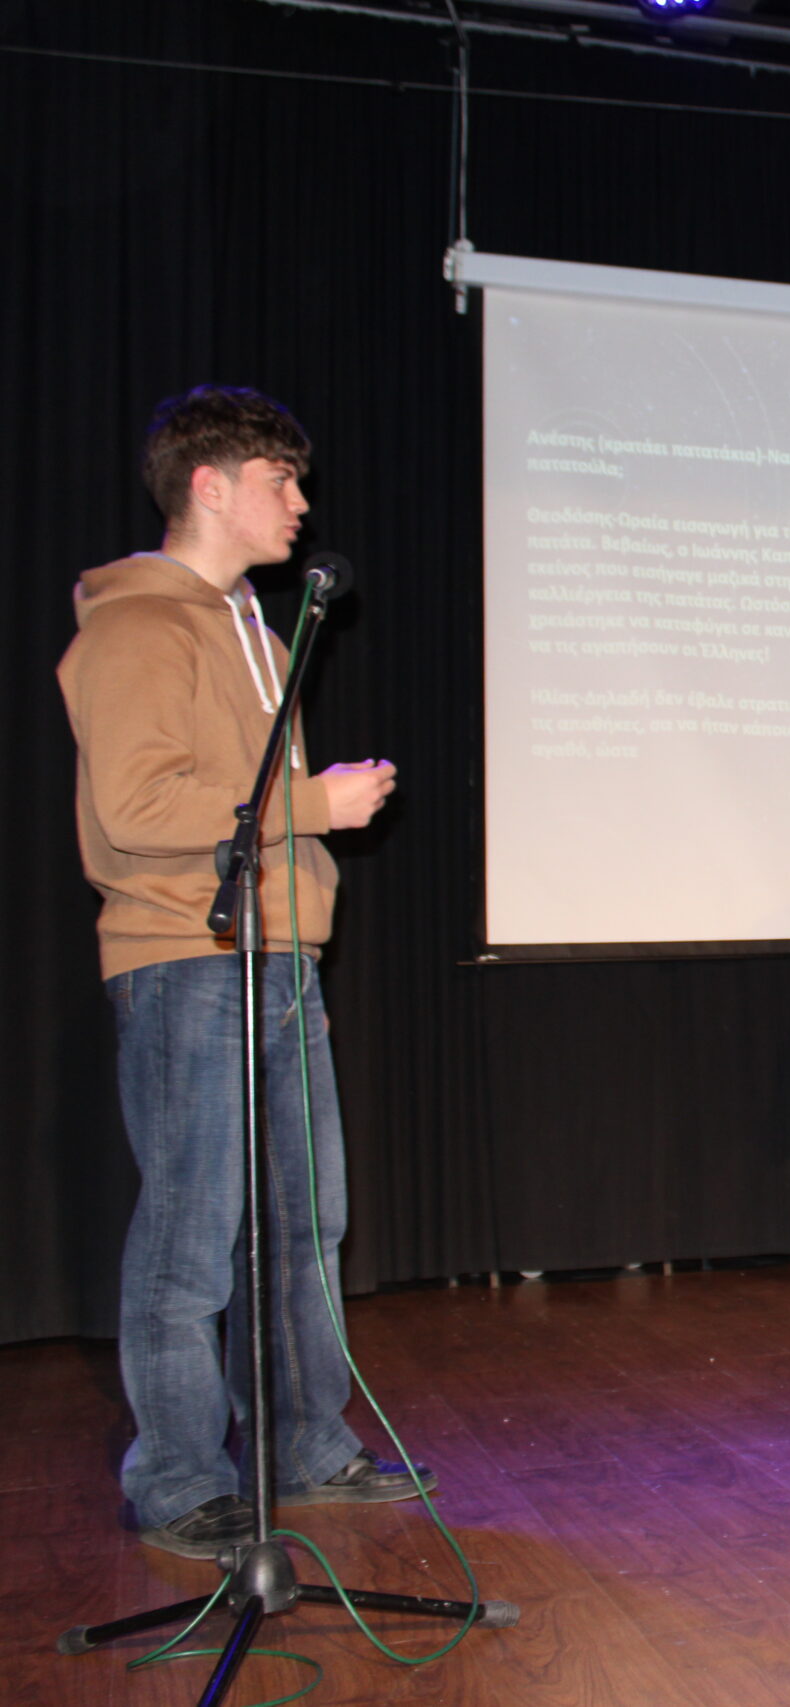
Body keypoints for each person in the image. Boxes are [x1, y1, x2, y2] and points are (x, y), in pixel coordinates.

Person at [58, 386, 434, 1560]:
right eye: (281, 479)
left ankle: (306, 1445)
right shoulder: (136, 628)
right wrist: (312, 806)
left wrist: (308, 822)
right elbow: (135, 811)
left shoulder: (263, 637)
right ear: (209, 486)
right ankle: (178, 1478)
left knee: (304, 1225)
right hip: (186, 957)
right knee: (192, 1232)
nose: (302, 501)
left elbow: (239, 803)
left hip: (281, 958)